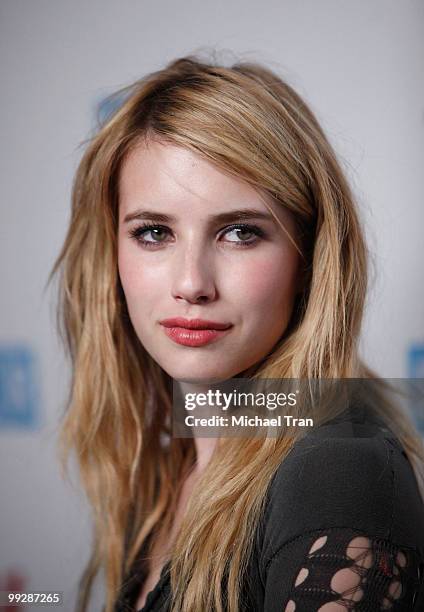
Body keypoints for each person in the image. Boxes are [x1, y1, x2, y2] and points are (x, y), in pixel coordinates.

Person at [48, 54, 424, 611]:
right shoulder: (163, 475)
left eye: (241, 233)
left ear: (310, 260)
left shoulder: (338, 471)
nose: (192, 283)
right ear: (111, 255)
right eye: (153, 232)